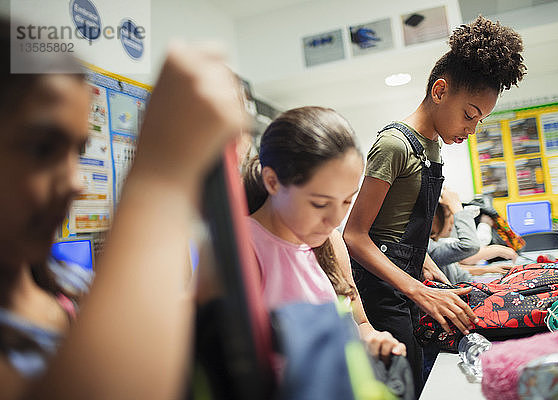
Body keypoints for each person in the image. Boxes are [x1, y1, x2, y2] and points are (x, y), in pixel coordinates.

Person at [0, 16, 244, 400]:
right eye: (41, 149)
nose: (77, 183)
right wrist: (159, 180)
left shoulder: (69, 284)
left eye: (77, 152)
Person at [343, 16, 526, 394]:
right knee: (404, 384)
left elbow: (402, 228)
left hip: (408, 282)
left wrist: (430, 273)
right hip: (381, 292)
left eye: (481, 120)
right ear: (440, 91)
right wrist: (417, 290)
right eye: (470, 115)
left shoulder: (433, 147)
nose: (472, 129)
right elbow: (356, 236)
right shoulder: (394, 144)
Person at [242, 106, 406, 363]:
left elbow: (359, 322)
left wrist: (373, 339)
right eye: (320, 203)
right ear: (273, 182)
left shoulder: (330, 240)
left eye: (346, 201)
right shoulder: (244, 247)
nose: (335, 219)